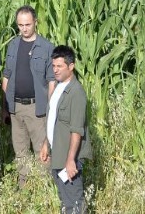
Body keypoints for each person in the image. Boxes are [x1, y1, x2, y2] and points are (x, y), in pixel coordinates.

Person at [2, 6, 56, 187]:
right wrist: (6, 105)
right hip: (16, 108)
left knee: (42, 152)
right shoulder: (13, 45)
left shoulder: (47, 48)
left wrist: (50, 111)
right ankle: (24, 189)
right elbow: (6, 76)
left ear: (35, 23)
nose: (24, 28)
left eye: (27, 24)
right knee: (20, 151)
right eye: (20, 25)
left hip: (37, 109)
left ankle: (43, 189)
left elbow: (51, 82)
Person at [40, 46, 92, 214]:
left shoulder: (76, 93)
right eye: (53, 66)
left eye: (59, 66)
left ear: (71, 66)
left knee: (74, 202)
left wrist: (70, 160)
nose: (55, 70)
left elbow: (77, 130)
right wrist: (46, 144)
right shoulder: (58, 87)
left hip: (69, 157)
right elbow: (53, 120)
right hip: (58, 153)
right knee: (65, 201)